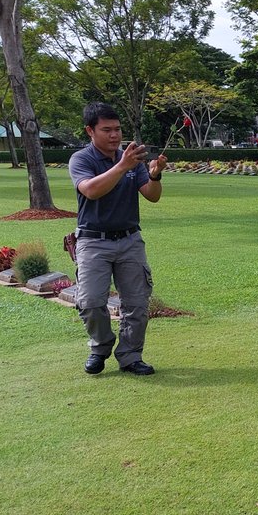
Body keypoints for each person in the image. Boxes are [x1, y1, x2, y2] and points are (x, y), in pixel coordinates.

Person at [68, 102, 167, 376]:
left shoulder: (130, 160)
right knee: (89, 302)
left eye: (118, 129)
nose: (114, 135)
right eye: (107, 130)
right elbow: (91, 190)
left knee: (136, 303)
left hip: (130, 240)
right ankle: (100, 347)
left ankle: (130, 355)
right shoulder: (82, 159)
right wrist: (123, 166)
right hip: (93, 241)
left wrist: (156, 175)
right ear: (90, 130)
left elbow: (152, 194)